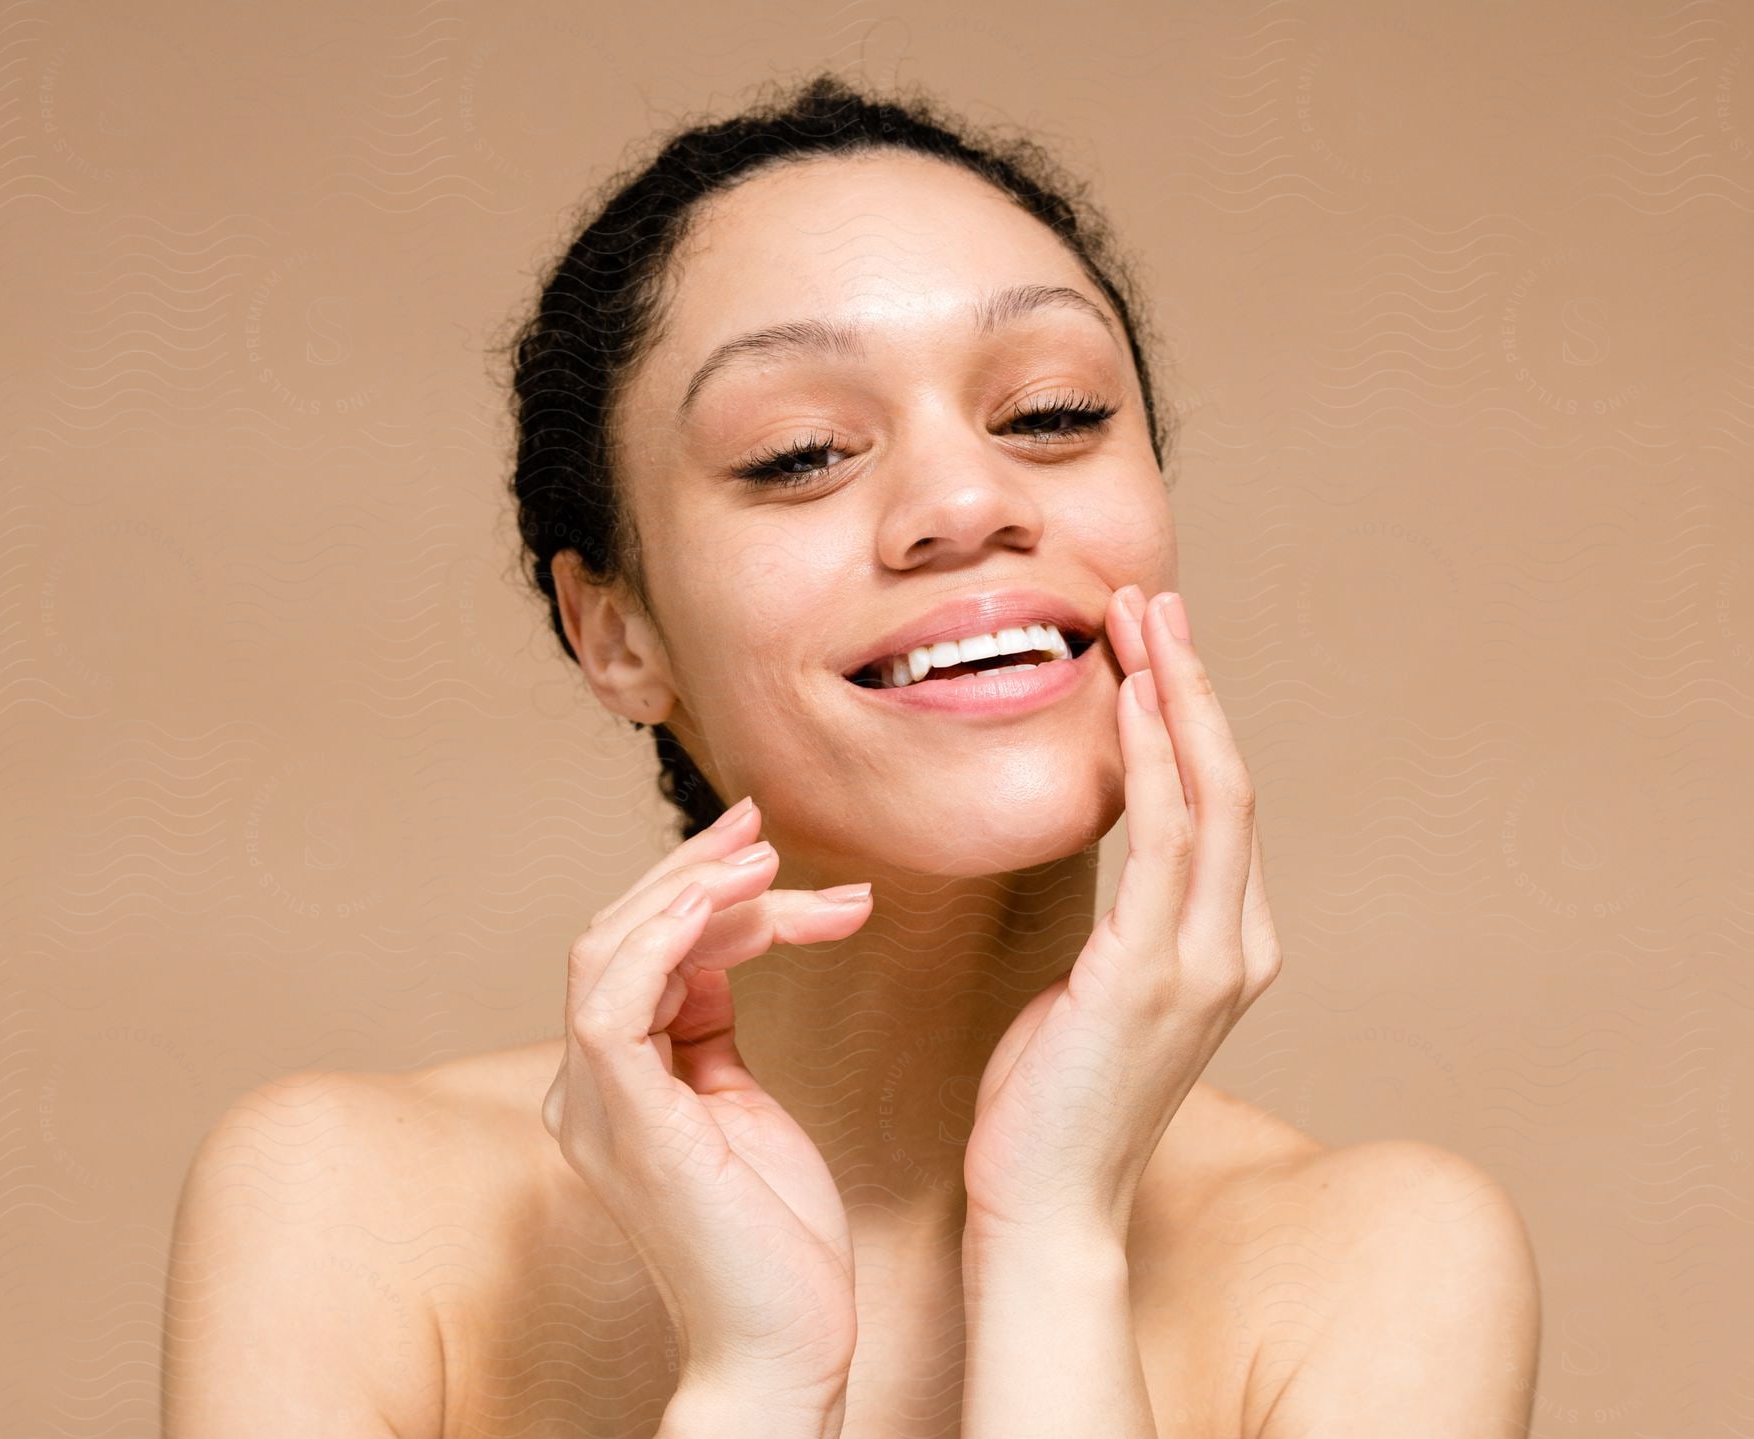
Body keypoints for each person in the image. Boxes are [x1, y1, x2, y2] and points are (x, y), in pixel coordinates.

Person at [161, 71, 1541, 1438]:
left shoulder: (1383, 1263)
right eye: (801, 450)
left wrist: (1054, 1236)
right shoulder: (349, 1213)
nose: (962, 501)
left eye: (1053, 414)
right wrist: (758, 1378)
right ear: (617, 633)